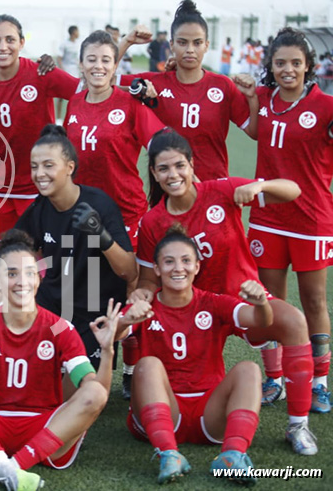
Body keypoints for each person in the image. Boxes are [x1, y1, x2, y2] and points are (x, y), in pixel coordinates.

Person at [133, 130, 319, 455]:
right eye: (163, 168)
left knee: (294, 323)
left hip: (242, 298)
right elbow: (148, 279)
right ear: (154, 173)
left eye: (179, 165)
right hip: (194, 311)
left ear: (192, 165)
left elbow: (293, 191)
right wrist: (142, 295)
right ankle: (158, 410)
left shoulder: (221, 190)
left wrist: (260, 186)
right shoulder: (153, 221)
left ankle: (298, 426)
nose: (173, 175)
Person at [0, 230, 118, 490]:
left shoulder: (60, 327)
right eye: (11, 274)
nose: (21, 281)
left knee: (93, 390)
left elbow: (94, 390)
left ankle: (7, 468)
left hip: (44, 427)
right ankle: (4, 463)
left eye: (28, 273)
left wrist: (107, 352)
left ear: (38, 278)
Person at [0, 126, 137, 369]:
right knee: (14, 365)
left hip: (93, 314)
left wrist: (101, 236)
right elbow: (11, 249)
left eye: (48, 165)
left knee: (77, 388)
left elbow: (129, 271)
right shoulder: (41, 207)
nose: (39, 173)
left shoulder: (100, 205)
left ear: (70, 167)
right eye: (34, 166)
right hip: (51, 305)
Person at [120, 227, 271, 484]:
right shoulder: (145, 305)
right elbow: (111, 338)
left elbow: (261, 322)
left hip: (210, 414)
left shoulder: (213, 302)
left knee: (249, 369)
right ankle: (168, 453)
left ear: (197, 267)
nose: (178, 268)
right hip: (162, 410)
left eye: (186, 260)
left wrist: (262, 304)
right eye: (169, 261)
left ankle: (233, 455)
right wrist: (125, 320)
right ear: (156, 269)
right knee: (147, 365)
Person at [247, 27, 333, 414]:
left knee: (314, 300)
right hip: (267, 217)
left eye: (296, 63)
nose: (288, 69)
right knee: (270, 303)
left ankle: (319, 381)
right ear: (272, 65)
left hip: (311, 218)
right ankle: (275, 378)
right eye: (280, 62)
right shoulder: (262, 99)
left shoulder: (327, 106)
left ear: (308, 66)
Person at [0, 14, 80, 244]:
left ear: (22, 43)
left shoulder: (42, 74)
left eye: (10, 40)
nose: (2, 47)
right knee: (0, 259)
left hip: (41, 185)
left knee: (45, 257)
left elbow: (87, 93)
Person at [117, 0, 258, 181]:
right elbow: (105, 78)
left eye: (197, 43)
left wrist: (252, 99)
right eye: (182, 42)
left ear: (206, 45)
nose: (190, 50)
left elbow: (253, 133)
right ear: (172, 45)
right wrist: (127, 41)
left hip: (213, 186)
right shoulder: (156, 82)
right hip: (169, 187)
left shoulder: (223, 85)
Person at [65, 30, 164, 249]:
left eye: (106, 60)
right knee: (89, 281)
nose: (98, 66)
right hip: (84, 212)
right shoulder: (74, 103)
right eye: (91, 59)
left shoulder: (131, 104)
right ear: (81, 64)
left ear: (115, 66)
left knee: (128, 279)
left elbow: (164, 146)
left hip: (125, 212)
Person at [55, 24, 80, 118]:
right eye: (77, 31)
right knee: (61, 96)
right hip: (66, 70)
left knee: (75, 96)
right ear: (73, 33)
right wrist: (62, 70)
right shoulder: (64, 44)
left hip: (75, 71)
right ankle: (58, 118)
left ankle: (73, 117)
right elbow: (59, 58)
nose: (79, 33)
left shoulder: (78, 44)